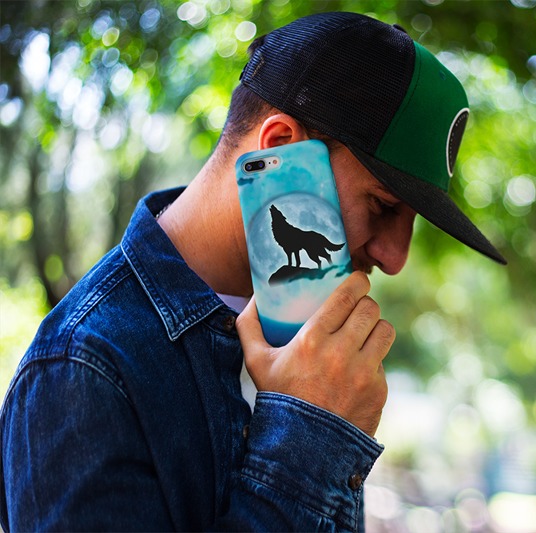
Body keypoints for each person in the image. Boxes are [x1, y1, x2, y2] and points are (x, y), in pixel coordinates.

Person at [0, 11, 506, 531]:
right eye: (382, 205)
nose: (395, 258)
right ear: (281, 147)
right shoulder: (82, 369)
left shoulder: (308, 342)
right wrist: (310, 432)